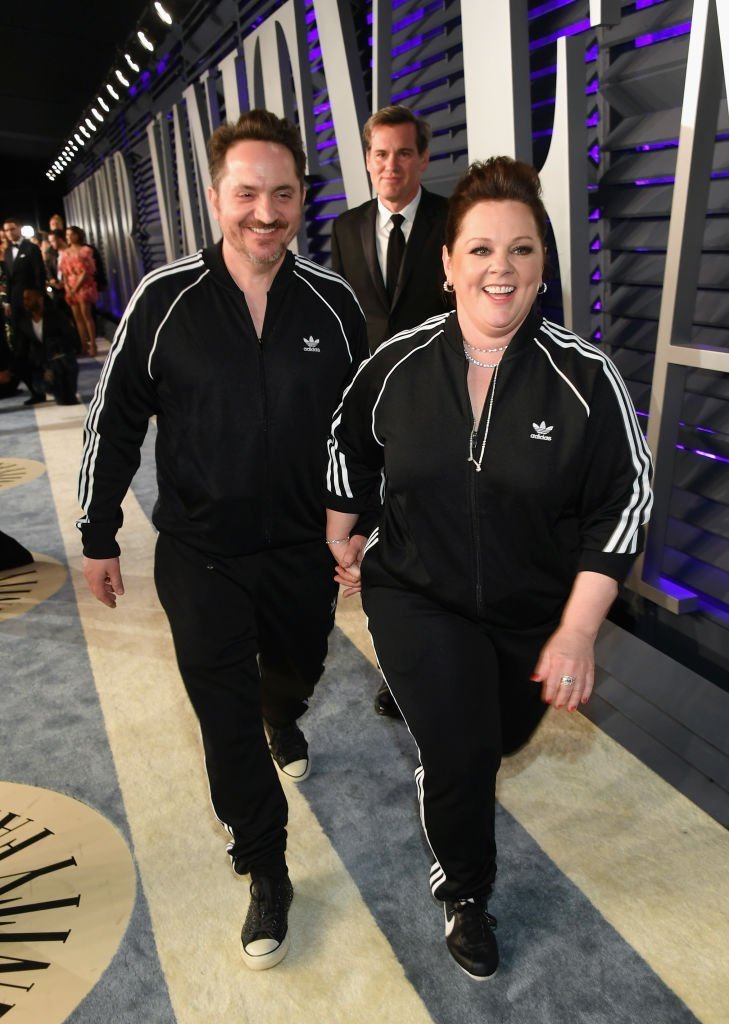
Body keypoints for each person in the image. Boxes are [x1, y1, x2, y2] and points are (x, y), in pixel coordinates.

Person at [325, 157, 653, 981]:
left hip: (529, 608)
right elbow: (347, 441)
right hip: (414, 591)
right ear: (446, 263)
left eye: (520, 250)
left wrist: (576, 630)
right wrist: (343, 527)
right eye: (478, 250)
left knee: (502, 732)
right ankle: (465, 892)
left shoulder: (584, 378)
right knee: (462, 747)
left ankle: (451, 712)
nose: (498, 269)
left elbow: (628, 498)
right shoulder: (397, 364)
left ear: (543, 266)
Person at [78, 108, 369, 971]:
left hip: (301, 554)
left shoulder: (335, 304)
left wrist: (364, 528)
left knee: (295, 669)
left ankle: (286, 710)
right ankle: (265, 866)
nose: (265, 212)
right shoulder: (164, 300)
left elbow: (369, 427)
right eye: (247, 193)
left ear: (301, 200)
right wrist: (98, 533)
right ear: (216, 197)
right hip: (199, 553)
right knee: (223, 714)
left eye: (283, 194)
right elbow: (115, 417)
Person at [331, 103, 449, 719]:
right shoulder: (347, 230)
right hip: (368, 411)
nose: (390, 165)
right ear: (368, 158)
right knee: (378, 544)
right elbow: (341, 321)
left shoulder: (452, 221)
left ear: (423, 159)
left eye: (404, 152)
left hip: (436, 412)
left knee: (430, 542)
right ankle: (397, 671)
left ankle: (438, 662)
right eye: (380, 153)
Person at [3, 218, 47, 403]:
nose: (10, 232)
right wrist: (9, 304)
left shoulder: (31, 249)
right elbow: (9, 280)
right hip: (16, 307)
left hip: (32, 305)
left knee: (37, 347)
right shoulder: (7, 252)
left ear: (19, 229)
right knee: (20, 349)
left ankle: (45, 387)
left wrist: (39, 301)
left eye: (12, 229)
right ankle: (35, 390)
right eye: (6, 230)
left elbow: (39, 275)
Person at [17, 288, 79, 405]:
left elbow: (70, 336)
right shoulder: (24, 321)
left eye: (28, 299)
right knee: (22, 367)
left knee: (66, 400)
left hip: (59, 358)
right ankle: (38, 393)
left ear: (40, 299)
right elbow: (22, 348)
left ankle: (65, 391)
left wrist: (58, 352)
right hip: (39, 361)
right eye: (24, 299)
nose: (25, 302)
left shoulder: (56, 315)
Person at [59, 226, 98, 356]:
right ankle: (83, 345)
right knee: (77, 318)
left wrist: (75, 288)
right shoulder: (65, 252)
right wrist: (68, 288)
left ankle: (93, 344)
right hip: (70, 286)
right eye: (66, 234)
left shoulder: (85, 250)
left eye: (71, 234)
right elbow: (64, 272)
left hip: (83, 286)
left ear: (77, 235)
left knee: (86, 315)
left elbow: (86, 271)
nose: (68, 237)